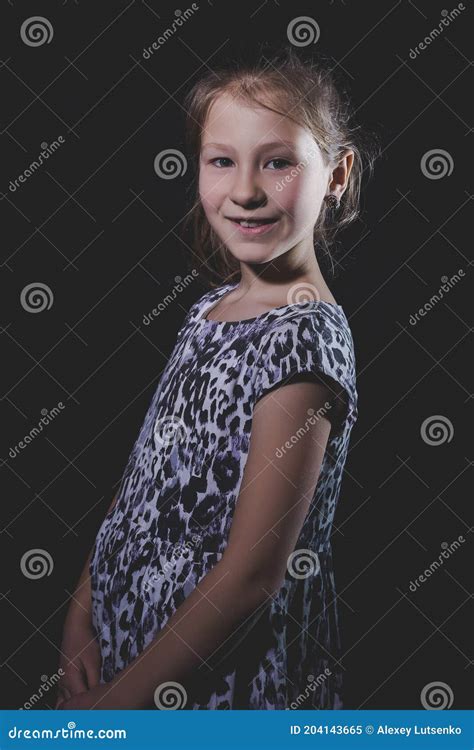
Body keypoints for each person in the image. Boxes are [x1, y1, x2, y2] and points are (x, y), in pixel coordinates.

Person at [56, 47, 376, 710]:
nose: (245, 190)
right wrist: (83, 605)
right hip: (130, 649)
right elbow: (147, 470)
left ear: (338, 173)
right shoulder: (210, 308)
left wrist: (119, 707)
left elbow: (251, 578)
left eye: (278, 161)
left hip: (216, 690)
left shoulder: (303, 339)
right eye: (222, 160)